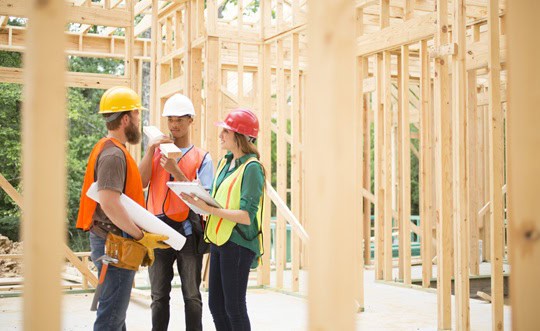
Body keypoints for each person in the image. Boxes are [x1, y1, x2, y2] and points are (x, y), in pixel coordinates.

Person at [76, 86, 168, 331]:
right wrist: (140, 236)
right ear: (125, 118)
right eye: (137, 115)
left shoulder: (110, 149)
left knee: (115, 312)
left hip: (110, 239)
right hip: (114, 242)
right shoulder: (114, 156)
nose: (138, 121)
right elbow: (109, 202)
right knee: (111, 315)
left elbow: (126, 188)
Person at [182, 108, 265, 331]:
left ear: (239, 136)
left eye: (226, 131)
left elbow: (246, 216)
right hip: (219, 241)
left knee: (234, 307)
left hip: (238, 244)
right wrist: (199, 199)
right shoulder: (224, 163)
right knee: (216, 305)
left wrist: (208, 209)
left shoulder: (252, 168)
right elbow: (219, 200)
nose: (221, 135)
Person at [139, 93, 214, 331]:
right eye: (170, 119)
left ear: (191, 120)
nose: (174, 124)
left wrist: (176, 170)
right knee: (158, 296)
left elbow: (203, 199)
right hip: (157, 233)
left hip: (188, 233)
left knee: (192, 295)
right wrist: (150, 151)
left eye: (180, 119)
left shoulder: (202, 158)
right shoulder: (157, 152)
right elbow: (141, 183)